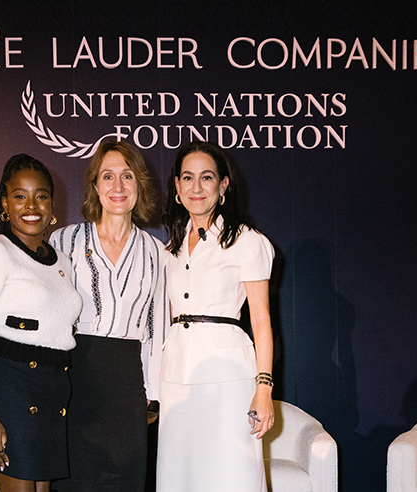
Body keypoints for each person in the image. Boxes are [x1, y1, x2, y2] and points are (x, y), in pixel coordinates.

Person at [0, 154, 82, 492]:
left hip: (52, 393)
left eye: (41, 196)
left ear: (52, 205)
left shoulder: (61, 261)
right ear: (5, 205)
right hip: (9, 394)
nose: (31, 206)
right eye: (20, 196)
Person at [49, 140, 168, 492]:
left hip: (127, 382)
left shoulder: (157, 252)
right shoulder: (63, 241)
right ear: (95, 186)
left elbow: (157, 327)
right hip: (72, 375)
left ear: (139, 184)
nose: (118, 186)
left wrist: (151, 391)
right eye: (108, 176)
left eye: (127, 176)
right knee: (71, 480)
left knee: (124, 479)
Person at [157, 141, 275, 492]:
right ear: (177, 187)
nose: (197, 187)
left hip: (229, 379)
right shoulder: (170, 249)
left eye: (207, 177)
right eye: (187, 178)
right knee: (180, 477)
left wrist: (264, 388)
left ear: (223, 186)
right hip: (176, 379)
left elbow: (262, 322)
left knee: (231, 475)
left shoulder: (247, 242)